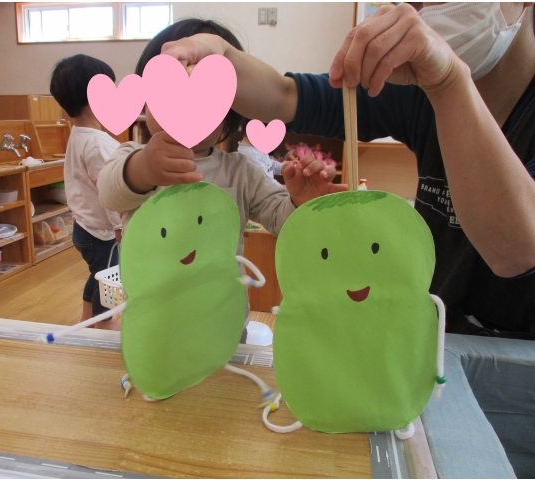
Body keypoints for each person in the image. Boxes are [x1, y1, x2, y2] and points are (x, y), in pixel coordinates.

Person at [159, 3, 535, 340]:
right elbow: (285, 96)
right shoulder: (419, 94)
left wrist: (449, 82)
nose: (416, 10)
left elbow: (514, 250)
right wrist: (222, 53)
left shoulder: (441, 85)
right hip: (433, 334)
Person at [97, 18, 345, 342]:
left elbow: (279, 218)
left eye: (205, 98)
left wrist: (301, 202)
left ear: (230, 113)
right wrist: (142, 169)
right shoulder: (133, 156)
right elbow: (109, 193)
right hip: (151, 328)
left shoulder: (239, 170)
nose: (184, 108)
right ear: (147, 100)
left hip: (223, 326)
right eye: (166, 93)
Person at [50, 54, 123, 329]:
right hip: (102, 233)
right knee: (108, 278)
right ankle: (103, 324)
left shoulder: (80, 134)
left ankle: (87, 318)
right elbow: (110, 192)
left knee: (98, 274)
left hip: (86, 228)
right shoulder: (96, 144)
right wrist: (121, 227)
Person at [237, 119, 283, 186]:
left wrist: (283, 167)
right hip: (264, 191)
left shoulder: (255, 148)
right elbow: (268, 183)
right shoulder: (251, 155)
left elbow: (267, 164)